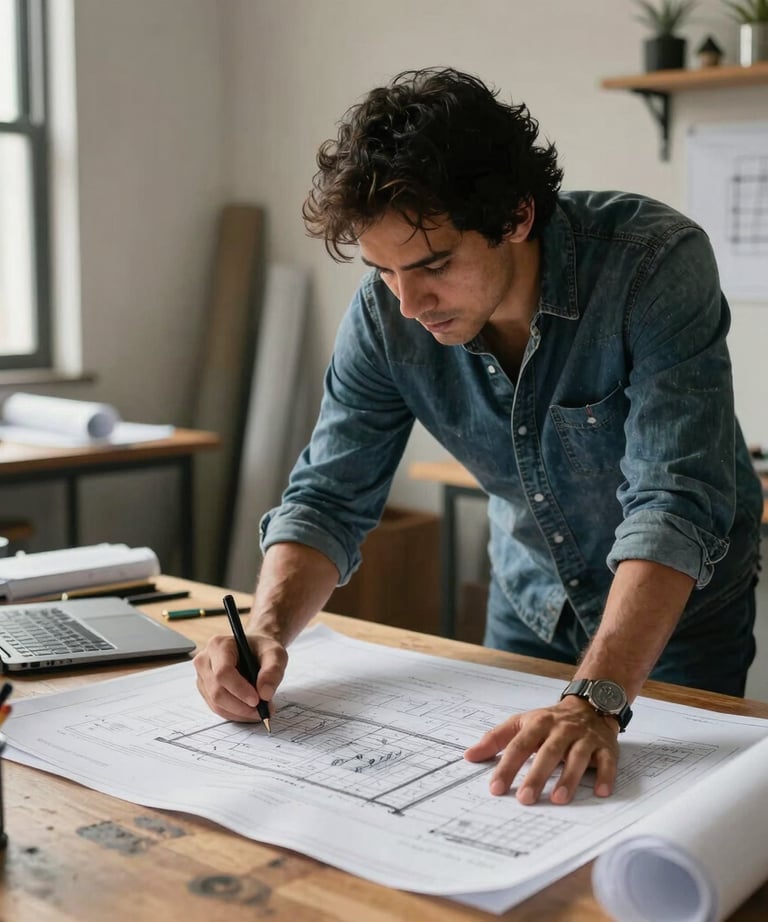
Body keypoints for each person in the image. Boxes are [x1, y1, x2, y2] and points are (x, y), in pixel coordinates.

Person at [194, 67, 763, 806]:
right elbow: (330, 493)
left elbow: (673, 502)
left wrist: (594, 699)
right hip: (531, 604)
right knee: (507, 811)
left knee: (665, 830)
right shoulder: (386, 312)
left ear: (518, 215)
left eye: (433, 265)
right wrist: (263, 632)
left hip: (675, 621)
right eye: (384, 271)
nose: (409, 303)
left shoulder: (653, 265)